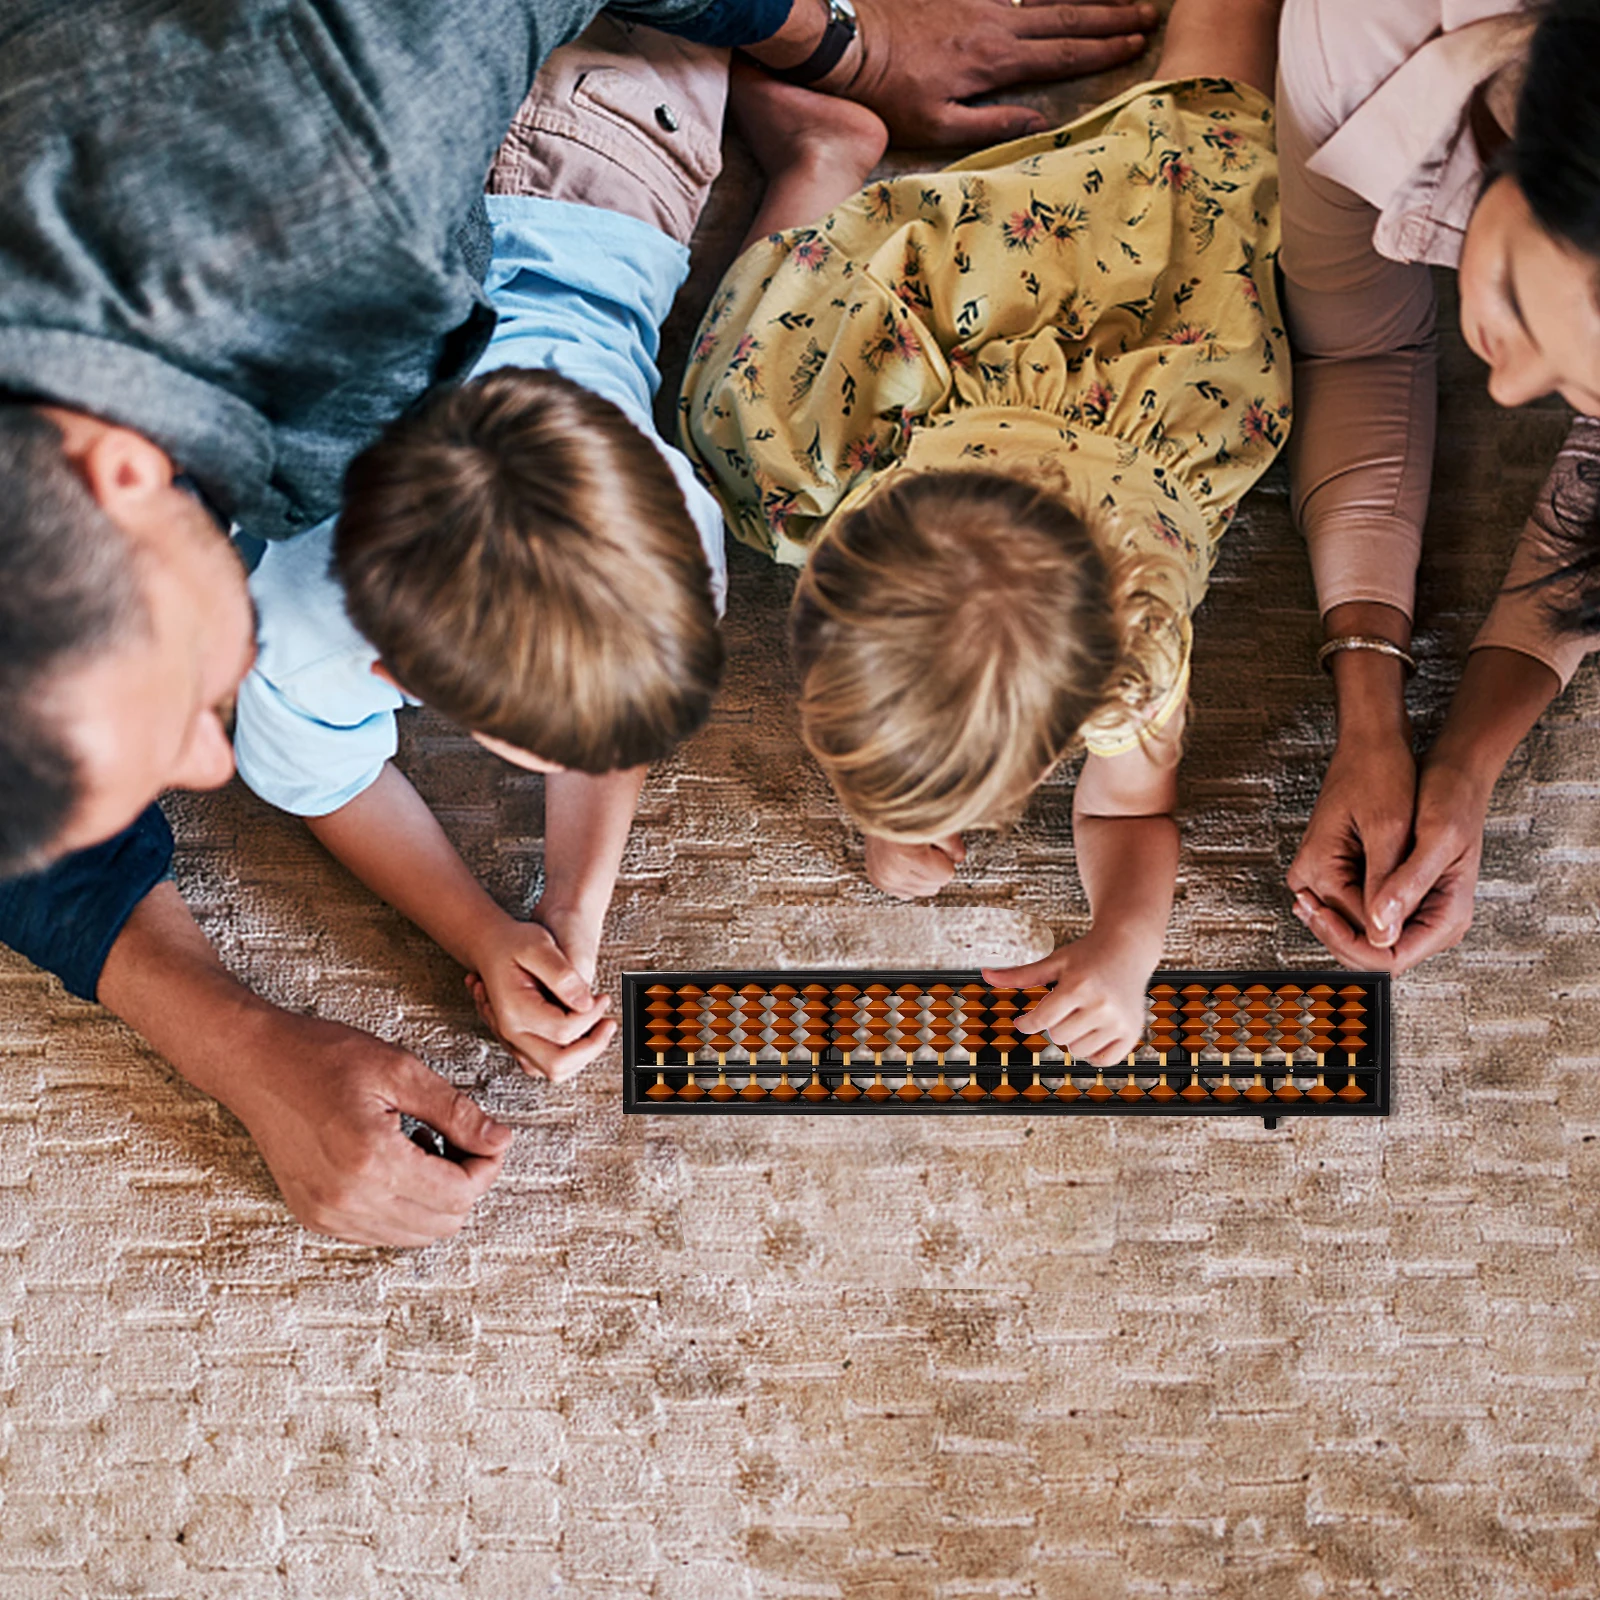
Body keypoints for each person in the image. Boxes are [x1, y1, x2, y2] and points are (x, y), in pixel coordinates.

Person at [0, 0, 1162, 1246]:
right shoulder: (344, 525)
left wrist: (840, 36)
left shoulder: (354, 153)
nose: (211, 765)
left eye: (170, 719)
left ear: (112, 471)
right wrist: (242, 1043)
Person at [681, 0, 1289, 1060]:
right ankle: (822, 159)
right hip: (991, 319)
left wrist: (1127, 943)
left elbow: (1131, 816)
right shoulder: (864, 490)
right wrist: (891, 810)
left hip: (1106, 340)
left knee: (1212, 136)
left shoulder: (1135, 656)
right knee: (742, 408)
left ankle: (827, 157)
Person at [233, 21, 733, 1085]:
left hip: (573, 154)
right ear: (392, 671)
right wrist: (478, 929)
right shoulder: (291, 616)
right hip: (582, 143)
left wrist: (571, 903)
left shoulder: (676, 540)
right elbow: (323, 784)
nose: (591, 767)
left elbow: (607, 701)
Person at [1279, 0, 1600, 973]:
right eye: (1508, 291)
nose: (1504, 391)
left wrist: (1460, 767)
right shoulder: (1362, 35)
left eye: (1583, 392)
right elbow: (1359, 349)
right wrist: (1364, 706)